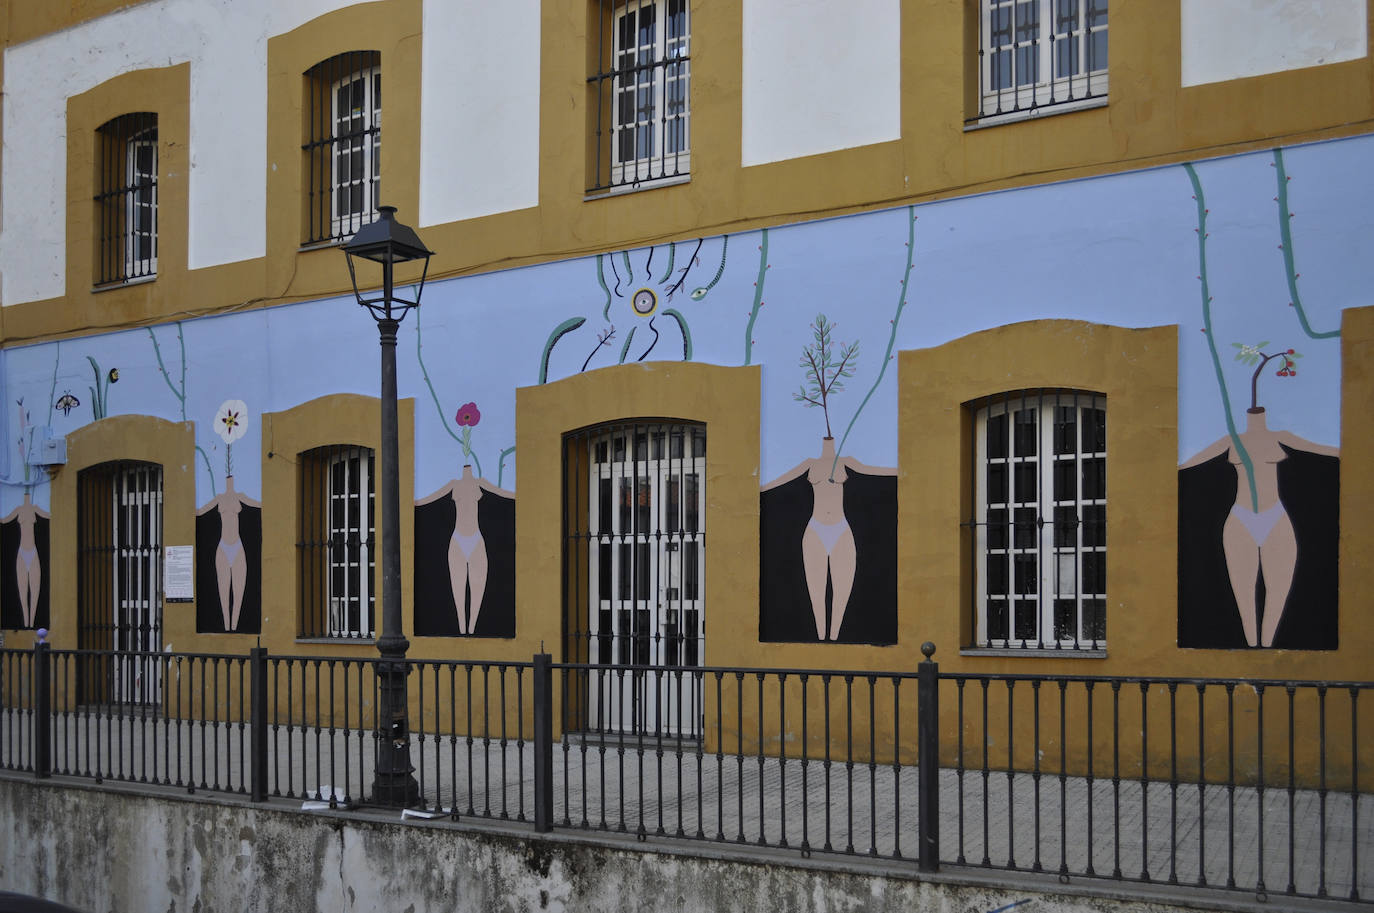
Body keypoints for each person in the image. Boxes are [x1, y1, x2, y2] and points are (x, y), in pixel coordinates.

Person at [1181, 407, 1338, 647]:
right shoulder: (1232, 440)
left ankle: (1266, 648)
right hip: (1240, 520)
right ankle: (1252, 648)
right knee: (1244, 597)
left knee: (1278, 593)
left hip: (1275, 517)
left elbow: (1320, 448)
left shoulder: (1279, 436)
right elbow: (1189, 462)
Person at [762, 437, 895, 641]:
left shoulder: (846, 461)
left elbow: (871, 469)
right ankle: (821, 636)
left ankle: (833, 637)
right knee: (816, 593)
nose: (828, 441)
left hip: (841, 529)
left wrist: (901, 471)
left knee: (842, 593)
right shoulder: (810, 463)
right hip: (815, 529)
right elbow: (781, 480)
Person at [417, 466, 514, 635]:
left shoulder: (480, 482)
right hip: (457, 540)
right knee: (458, 589)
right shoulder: (454, 484)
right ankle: (462, 627)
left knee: (478, 590)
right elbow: (429, 498)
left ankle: (472, 627)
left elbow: (502, 492)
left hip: (476, 539)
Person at [196, 476, 260, 632]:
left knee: (239, 593)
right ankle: (226, 627)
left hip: (237, 547)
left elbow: (259, 504)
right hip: (223, 548)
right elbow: (199, 511)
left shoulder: (240, 496)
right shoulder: (219, 498)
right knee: (223, 594)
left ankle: (234, 627)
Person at [2, 491, 48, 628]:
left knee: (35, 591)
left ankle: (31, 624)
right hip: (21, 553)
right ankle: (26, 622)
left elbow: (50, 515)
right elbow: (4, 520)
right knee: (22, 592)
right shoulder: (18, 509)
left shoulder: (35, 508)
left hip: (33, 552)